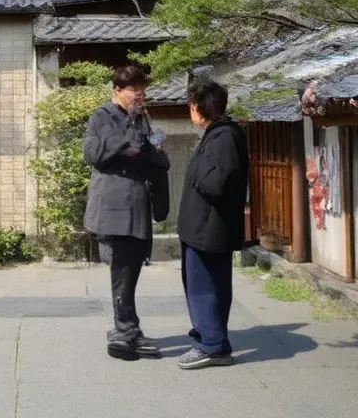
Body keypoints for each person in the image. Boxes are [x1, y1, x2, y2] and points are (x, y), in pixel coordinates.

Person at [83, 63, 170, 361]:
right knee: (122, 269)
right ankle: (125, 330)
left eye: (143, 90)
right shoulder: (101, 117)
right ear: (117, 90)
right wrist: (124, 141)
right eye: (134, 90)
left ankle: (127, 329)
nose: (140, 95)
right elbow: (91, 154)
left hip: (137, 205)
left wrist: (154, 151)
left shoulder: (142, 119)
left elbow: (149, 154)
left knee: (131, 269)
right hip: (113, 206)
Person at [177, 76, 249, 370]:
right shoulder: (217, 134)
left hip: (209, 229)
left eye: (190, 105)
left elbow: (216, 183)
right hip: (204, 229)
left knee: (205, 288)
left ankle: (211, 344)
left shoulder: (223, 137)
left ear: (197, 106)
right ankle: (215, 341)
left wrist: (197, 164)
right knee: (209, 286)